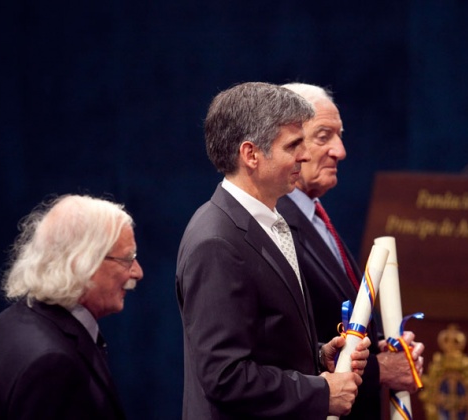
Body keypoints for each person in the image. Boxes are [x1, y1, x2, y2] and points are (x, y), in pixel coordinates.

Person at [175, 82, 371, 419]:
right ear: (251, 154)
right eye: (293, 145)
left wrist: (318, 356)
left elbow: (265, 342)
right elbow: (225, 378)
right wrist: (321, 391)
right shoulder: (216, 242)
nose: (304, 155)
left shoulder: (269, 219)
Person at [277, 82, 425, 419]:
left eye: (339, 136)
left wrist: (385, 351)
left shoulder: (313, 215)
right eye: (323, 136)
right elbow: (287, 353)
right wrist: (380, 370)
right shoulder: (275, 226)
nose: (340, 151)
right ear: (289, 143)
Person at [0, 194, 144, 419]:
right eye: (127, 259)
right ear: (83, 262)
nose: (137, 272)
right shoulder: (52, 366)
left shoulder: (8, 322)